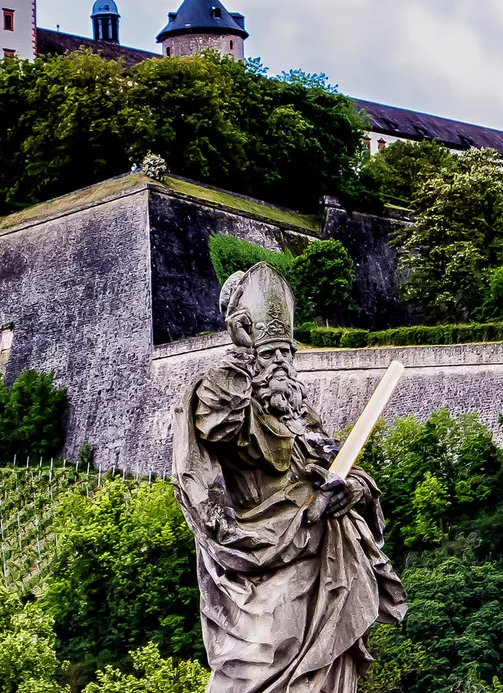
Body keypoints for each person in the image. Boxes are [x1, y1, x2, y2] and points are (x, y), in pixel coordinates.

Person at [172, 262, 406, 693]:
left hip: (324, 571)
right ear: (252, 356)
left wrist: (351, 490)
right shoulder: (240, 409)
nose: (281, 362)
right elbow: (216, 419)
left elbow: (344, 468)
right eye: (270, 353)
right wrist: (240, 355)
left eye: (288, 353)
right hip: (264, 579)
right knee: (250, 674)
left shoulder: (303, 419)